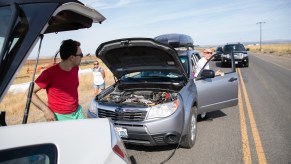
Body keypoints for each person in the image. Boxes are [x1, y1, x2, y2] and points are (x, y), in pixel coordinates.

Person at [31, 39, 84, 121]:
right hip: (59, 117)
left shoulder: (75, 68)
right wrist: (46, 110)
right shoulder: (49, 73)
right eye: (81, 55)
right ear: (72, 57)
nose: (82, 57)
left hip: (77, 112)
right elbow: (30, 93)